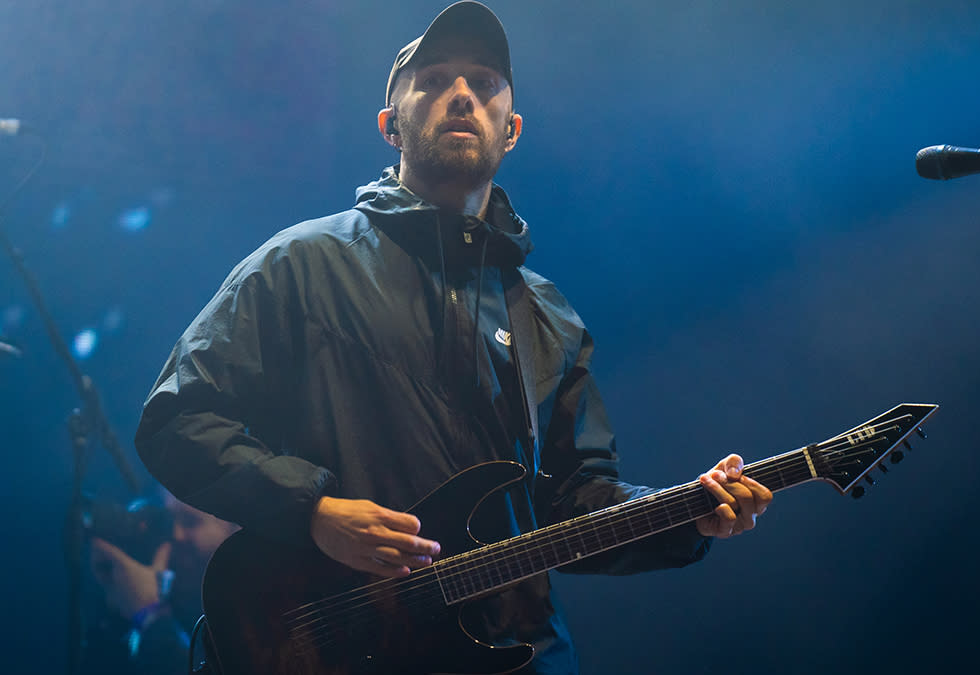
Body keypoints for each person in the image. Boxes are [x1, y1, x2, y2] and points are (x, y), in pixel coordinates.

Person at [134, 2, 772, 672]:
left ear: (512, 129)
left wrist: (689, 516)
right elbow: (177, 418)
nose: (462, 94)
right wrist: (312, 507)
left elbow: (576, 500)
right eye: (434, 80)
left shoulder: (547, 317)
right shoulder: (300, 265)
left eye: (485, 82)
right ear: (390, 125)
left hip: (521, 652)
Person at [85, 491, 237, 674]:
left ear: (235, 527)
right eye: (170, 520)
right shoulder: (177, 602)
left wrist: (150, 616)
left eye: (190, 522)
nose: (176, 535)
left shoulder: (258, 612)